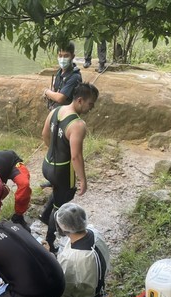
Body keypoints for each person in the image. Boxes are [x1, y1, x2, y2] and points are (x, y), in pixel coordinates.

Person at [41, 82, 99, 253]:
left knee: (58, 192)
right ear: (80, 100)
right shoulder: (78, 125)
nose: (91, 108)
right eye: (90, 104)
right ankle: (50, 242)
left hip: (47, 165)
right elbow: (76, 156)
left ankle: (44, 215)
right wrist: (83, 180)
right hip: (63, 171)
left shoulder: (55, 110)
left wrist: (54, 152)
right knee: (60, 206)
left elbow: (45, 135)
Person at [46, 203, 110, 297]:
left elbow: (62, 287)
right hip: (97, 288)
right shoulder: (94, 232)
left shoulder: (71, 258)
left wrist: (48, 257)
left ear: (63, 226)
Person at [42, 41, 83, 110]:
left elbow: (60, 98)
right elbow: (54, 85)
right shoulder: (60, 71)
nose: (62, 59)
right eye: (60, 56)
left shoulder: (75, 77)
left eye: (66, 56)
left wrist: (47, 92)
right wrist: (51, 90)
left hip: (67, 115)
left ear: (73, 56)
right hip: (56, 111)